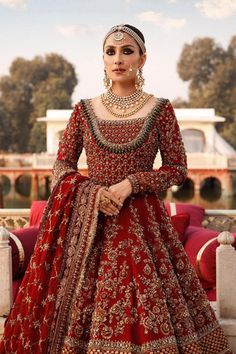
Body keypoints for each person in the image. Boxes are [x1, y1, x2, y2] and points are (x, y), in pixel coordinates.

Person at [0, 24, 232, 354]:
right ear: (103, 59)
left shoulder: (160, 108)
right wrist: (92, 191)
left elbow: (177, 169)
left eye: (127, 51)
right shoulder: (84, 109)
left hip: (144, 227)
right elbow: (62, 166)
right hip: (91, 224)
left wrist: (132, 183)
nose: (118, 59)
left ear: (142, 58)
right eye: (111, 52)